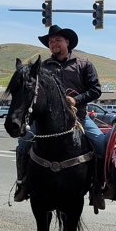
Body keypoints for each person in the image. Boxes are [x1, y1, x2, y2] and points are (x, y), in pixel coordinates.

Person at [14, 24, 106, 202]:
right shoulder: (42, 68)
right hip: (45, 121)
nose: (54, 44)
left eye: (57, 40)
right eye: (50, 41)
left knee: (101, 143)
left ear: (67, 42)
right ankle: (23, 183)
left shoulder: (84, 64)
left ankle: (98, 186)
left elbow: (95, 89)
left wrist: (76, 100)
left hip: (78, 116)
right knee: (24, 142)